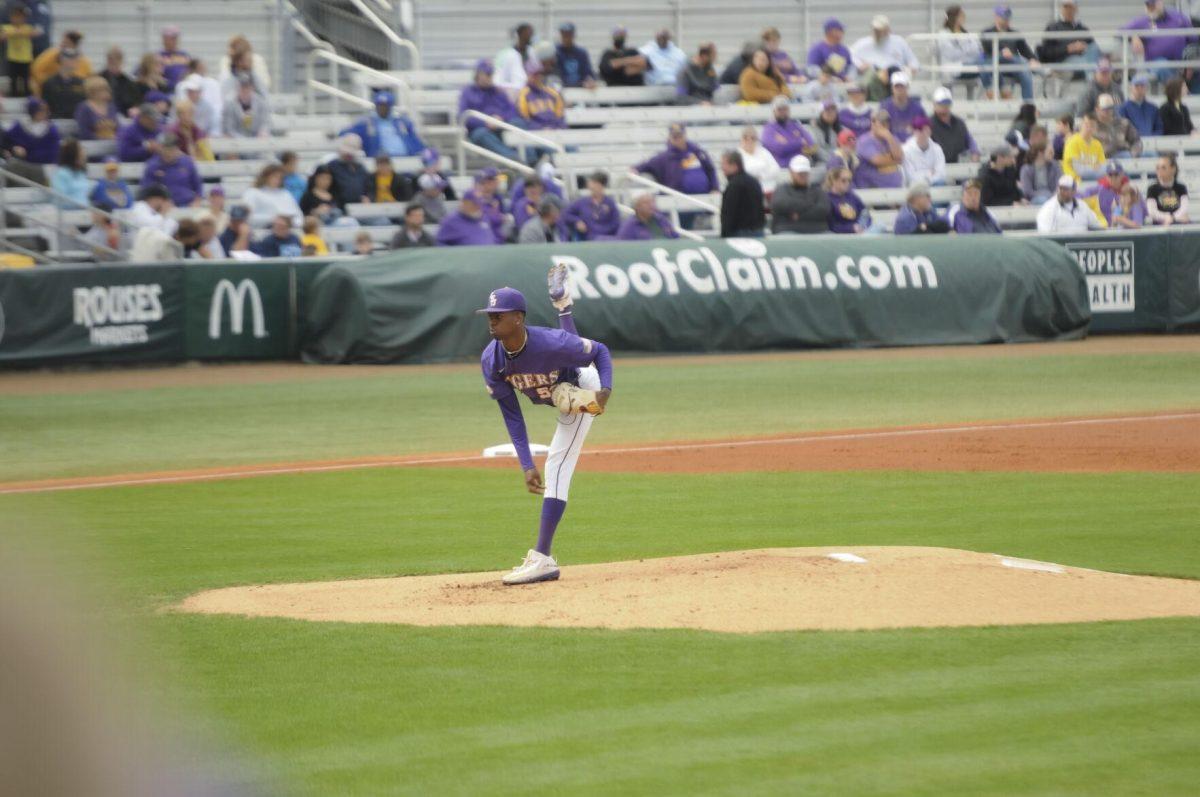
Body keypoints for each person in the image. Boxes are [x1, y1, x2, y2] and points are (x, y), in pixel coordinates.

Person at [479, 270, 614, 585]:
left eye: (498, 315)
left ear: (517, 318)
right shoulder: (492, 361)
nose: (491, 320)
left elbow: (600, 352)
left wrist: (603, 391)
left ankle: (542, 558)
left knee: (557, 465)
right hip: (564, 394)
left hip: (584, 386)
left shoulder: (545, 341)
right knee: (562, 392)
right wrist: (526, 464)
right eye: (489, 315)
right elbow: (512, 415)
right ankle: (563, 304)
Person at [459, 60, 529, 163]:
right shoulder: (468, 92)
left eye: (491, 74)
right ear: (478, 74)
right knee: (481, 135)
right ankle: (513, 159)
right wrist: (485, 122)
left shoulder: (498, 92)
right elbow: (463, 116)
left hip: (501, 126)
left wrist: (501, 119)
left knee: (518, 123)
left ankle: (530, 159)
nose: (490, 77)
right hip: (481, 129)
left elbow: (512, 111)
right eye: (487, 74)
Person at [633, 123, 718, 194]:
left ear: (684, 136)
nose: (678, 139)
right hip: (678, 199)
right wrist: (635, 169)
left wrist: (715, 188)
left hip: (703, 196)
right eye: (675, 137)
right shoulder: (664, 157)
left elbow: (710, 170)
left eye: (680, 136)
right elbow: (645, 165)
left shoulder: (698, 152)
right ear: (670, 138)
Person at [338, 89, 424, 158]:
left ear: (390, 107)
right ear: (376, 106)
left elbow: (415, 141)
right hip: (382, 161)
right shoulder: (367, 123)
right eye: (380, 105)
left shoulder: (402, 122)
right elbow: (345, 132)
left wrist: (423, 151)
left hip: (406, 158)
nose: (382, 108)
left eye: (385, 106)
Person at [850, 15, 920, 101]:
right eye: (875, 30)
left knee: (894, 71)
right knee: (872, 76)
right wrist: (861, 65)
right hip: (874, 81)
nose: (877, 33)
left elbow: (914, 62)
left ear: (887, 30)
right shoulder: (863, 44)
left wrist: (908, 70)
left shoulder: (899, 42)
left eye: (880, 30)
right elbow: (850, 56)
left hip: (895, 79)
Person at [1124, 0, 1195, 84]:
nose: (1150, 8)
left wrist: (1190, 62)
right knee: (1162, 65)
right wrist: (1133, 36)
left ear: (1160, 2)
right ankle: (1179, 89)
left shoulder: (1179, 18)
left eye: (1153, 5)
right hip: (1156, 63)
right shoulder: (1142, 21)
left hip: (1181, 62)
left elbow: (1194, 39)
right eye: (1148, 5)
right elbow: (1120, 32)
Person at [979, 6, 1039, 101]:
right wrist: (1002, 51)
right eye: (1003, 18)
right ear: (996, 17)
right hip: (995, 64)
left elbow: (1025, 49)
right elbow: (987, 48)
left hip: (1013, 65)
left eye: (1007, 18)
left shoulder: (1014, 33)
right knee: (1020, 62)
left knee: (1025, 72)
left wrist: (1032, 59)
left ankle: (1028, 105)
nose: (1006, 20)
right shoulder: (987, 32)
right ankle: (1042, 71)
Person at [1040, 0, 1100, 77]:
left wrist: (1084, 47)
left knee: (1094, 49)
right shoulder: (1053, 27)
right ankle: (1094, 82)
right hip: (1062, 62)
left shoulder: (1082, 28)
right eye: (1066, 7)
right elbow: (1046, 52)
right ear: (1061, 9)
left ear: (1076, 9)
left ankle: (1098, 78)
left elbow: (1092, 46)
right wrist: (1068, 49)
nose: (1068, 10)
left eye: (1071, 7)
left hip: (1084, 59)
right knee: (1085, 63)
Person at [768, 154, 826, 235]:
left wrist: (799, 215)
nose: (803, 175)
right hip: (787, 231)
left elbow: (823, 210)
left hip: (817, 231)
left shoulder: (817, 190)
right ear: (791, 172)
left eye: (805, 173)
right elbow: (779, 205)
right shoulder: (781, 189)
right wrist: (810, 203)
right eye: (799, 173)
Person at [140, 132, 202, 207]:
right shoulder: (152, 166)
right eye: (166, 148)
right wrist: (160, 203)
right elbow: (146, 191)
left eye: (172, 149)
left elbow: (198, 186)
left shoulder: (187, 162)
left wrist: (197, 201)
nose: (169, 152)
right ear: (160, 148)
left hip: (187, 204)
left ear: (177, 148)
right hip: (161, 208)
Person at [718, 150, 765, 237]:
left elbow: (729, 213)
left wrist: (724, 234)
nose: (722, 167)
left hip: (739, 234)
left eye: (724, 164)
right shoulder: (754, 182)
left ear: (735, 166)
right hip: (758, 231)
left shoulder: (734, 185)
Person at [562, 171, 620, 240]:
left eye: (595, 185)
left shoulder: (610, 203)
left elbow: (616, 223)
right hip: (588, 240)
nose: (593, 188)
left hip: (607, 239)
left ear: (602, 186)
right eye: (592, 185)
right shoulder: (582, 202)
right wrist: (577, 221)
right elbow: (565, 213)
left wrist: (602, 231)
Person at [854, 109, 904, 188]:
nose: (885, 125)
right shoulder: (864, 141)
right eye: (882, 122)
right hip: (872, 188)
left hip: (894, 187)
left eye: (887, 122)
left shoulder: (892, 138)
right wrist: (894, 159)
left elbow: (900, 158)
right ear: (872, 123)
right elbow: (878, 161)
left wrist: (889, 137)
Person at [30, 30, 89, 95]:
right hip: (48, 90)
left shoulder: (82, 60)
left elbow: (85, 76)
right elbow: (35, 70)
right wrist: (51, 83)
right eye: (64, 42)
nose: (63, 44)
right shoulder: (51, 55)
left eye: (67, 42)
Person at [930, 86, 980, 163]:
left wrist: (975, 152)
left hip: (958, 165)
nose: (945, 106)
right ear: (934, 104)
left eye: (947, 103)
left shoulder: (959, 123)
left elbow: (970, 141)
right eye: (941, 103)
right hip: (936, 166)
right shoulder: (928, 124)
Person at [1036, 175, 1103, 232]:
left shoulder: (1082, 205)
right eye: (1061, 188)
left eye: (1066, 189)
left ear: (1074, 191)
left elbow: (1097, 226)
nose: (1062, 192)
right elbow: (1045, 234)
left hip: (1082, 245)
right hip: (1059, 245)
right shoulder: (1048, 208)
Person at [2, 96, 59, 162]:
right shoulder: (19, 126)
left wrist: (28, 154)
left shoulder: (51, 129)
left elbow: (52, 154)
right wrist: (13, 148)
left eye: (47, 110)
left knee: (11, 165)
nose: (47, 113)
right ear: (33, 111)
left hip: (44, 166)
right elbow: (6, 143)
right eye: (42, 110)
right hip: (23, 163)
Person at [937, 6, 983, 86]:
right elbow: (951, 54)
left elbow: (977, 51)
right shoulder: (943, 34)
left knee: (988, 66)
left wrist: (963, 51)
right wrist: (967, 51)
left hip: (970, 65)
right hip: (954, 68)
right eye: (961, 16)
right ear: (954, 17)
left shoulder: (967, 34)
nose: (964, 17)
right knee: (986, 66)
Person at [2, 4, 41, 97]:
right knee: (13, 79)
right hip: (13, 58)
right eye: (15, 16)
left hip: (26, 58)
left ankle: (27, 96)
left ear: (24, 18)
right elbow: (3, 36)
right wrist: (17, 33)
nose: (18, 19)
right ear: (11, 17)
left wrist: (18, 33)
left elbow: (37, 33)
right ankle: (14, 95)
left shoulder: (28, 27)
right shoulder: (7, 27)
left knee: (26, 79)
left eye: (20, 17)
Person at [517, 61, 567, 131]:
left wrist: (554, 127)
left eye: (539, 74)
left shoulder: (552, 93)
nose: (537, 77)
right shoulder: (524, 94)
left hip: (555, 130)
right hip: (536, 133)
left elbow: (560, 116)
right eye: (533, 74)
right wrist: (540, 128)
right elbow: (524, 118)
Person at [329, 134, 371, 211]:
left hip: (360, 208)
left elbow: (368, 188)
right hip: (340, 208)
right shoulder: (332, 166)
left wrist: (367, 197)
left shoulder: (361, 168)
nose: (348, 155)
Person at [807, 18, 855, 86]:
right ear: (832, 32)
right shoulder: (817, 49)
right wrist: (830, 78)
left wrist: (849, 77)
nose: (842, 33)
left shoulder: (844, 49)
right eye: (840, 30)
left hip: (842, 85)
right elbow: (811, 69)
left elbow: (850, 66)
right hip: (823, 87)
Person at [1146, 152, 1190, 225]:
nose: (1159, 171)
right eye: (1157, 168)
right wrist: (1166, 218)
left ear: (1173, 169)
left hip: (1178, 222)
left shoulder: (1181, 188)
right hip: (1159, 224)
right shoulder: (1152, 189)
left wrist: (1173, 218)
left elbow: (1184, 209)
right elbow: (1152, 212)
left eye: (1163, 168)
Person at [880, 71, 925, 141]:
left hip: (913, 146)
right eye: (896, 86)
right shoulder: (884, 107)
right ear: (892, 88)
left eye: (902, 86)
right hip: (890, 146)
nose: (899, 89)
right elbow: (880, 131)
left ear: (907, 87)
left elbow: (923, 130)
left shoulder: (917, 108)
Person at [40, 48, 85, 117]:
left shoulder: (81, 82)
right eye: (71, 58)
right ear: (62, 60)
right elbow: (45, 105)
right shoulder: (49, 83)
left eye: (76, 58)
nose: (75, 61)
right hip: (55, 120)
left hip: (75, 121)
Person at [222, 73, 270, 138]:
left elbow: (265, 122)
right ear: (237, 88)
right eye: (242, 88)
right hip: (236, 142)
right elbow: (229, 129)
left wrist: (263, 131)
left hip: (258, 141)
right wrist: (243, 140)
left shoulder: (261, 102)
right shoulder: (230, 104)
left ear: (252, 88)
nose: (245, 90)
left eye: (247, 87)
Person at [737, 125, 781, 194]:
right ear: (741, 139)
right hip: (747, 191)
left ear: (757, 139)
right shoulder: (737, 154)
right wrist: (762, 171)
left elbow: (776, 169)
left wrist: (761, 176)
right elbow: (740, 173)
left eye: (753, 138)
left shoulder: (764, 152)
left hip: (769, 190)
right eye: (745, 138)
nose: (749, 140)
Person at [1094, 94, 1141, 158]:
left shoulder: (1123, 123)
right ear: (1097, 109)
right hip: (1103, 157)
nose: (1108, 111)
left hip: (1125, 154)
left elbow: (1136, 140)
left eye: (1110, 108)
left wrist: (1134, 154)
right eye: (1104, 108)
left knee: (1150, 155)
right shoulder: (1091, 125)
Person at [902, 117, 947, 185]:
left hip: (935, 185)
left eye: (926, 129)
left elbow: (941, 173)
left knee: (940, 184)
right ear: (914, 131)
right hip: (914, 188)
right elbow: (910, 176)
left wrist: (922, 175)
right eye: (919, 129)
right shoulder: (906, 150)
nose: (923, 133)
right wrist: (929, 173)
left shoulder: (937, 149)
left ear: (930, 131)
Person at [1062, 112, 1106, 181]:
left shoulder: (1097, 144)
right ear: (1081, 125)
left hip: (1093, 178)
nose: (1088, 128)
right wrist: (1094, 168)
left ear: (1096, 128)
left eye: (1092, 125)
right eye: (1086, 124)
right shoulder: (1072, 142)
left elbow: (1102, 168)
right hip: (1074, 180)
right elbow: (1079, 170)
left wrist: (1094, 169)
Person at [494, 22, 534, 97]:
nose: (530, 36)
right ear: (519, 34)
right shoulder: (506, 54)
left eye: (531, 34)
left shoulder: (533, 52)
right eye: (527, 34)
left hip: (529, 91)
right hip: (512, 91)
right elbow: (498, 75)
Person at [824, 167, 868, 233]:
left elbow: (865, 213)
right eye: (843, 180)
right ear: (834, 180)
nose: (847, 183)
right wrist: (851, 229)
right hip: (839, 235)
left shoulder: (852, 197)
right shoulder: (827, 198)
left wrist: (863, 226)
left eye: (849, 180)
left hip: (860, 231)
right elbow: (830, 225)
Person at [50, 138, 89, 208]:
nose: (84, 154)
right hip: (68, 215)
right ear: (73, 154)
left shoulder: (81, 173)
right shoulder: (61, 174)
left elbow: (83, 196)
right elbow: (60, 199)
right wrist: (79, 205)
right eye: (80, 150)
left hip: (84, 212)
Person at [554, 22, 595, 88]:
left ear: (573, 35)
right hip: (561, 88)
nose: (566, 37)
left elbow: (588, 73)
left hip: (580, 89)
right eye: (564, 34)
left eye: (568, 34)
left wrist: (589, 81)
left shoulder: (581, 53)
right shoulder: (555, 52)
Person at [99, 47, 138, 114]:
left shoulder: (128, 82)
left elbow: (134, 103)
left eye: (117, 63)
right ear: (107, 61)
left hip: (124, 115)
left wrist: (134, 109)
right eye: (111, 62)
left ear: (121, 62)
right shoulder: (99, 79)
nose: (114, 66)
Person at [158, 24, 189, 90]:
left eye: (175, 38)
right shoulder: (158, 56)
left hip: (184, 90)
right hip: (166, 90)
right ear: (163, 39)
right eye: (170, 38)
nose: (173, 41)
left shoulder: (184, 55)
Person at [812, 98, 843, 163]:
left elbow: (848, 147)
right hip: (821, 164)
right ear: (821, 113)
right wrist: (833, 160)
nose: (830, 112)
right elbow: (817, 149)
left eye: (833, 110)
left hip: (841, 162)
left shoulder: (843, 129)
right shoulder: (813, 130)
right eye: (827, 110)